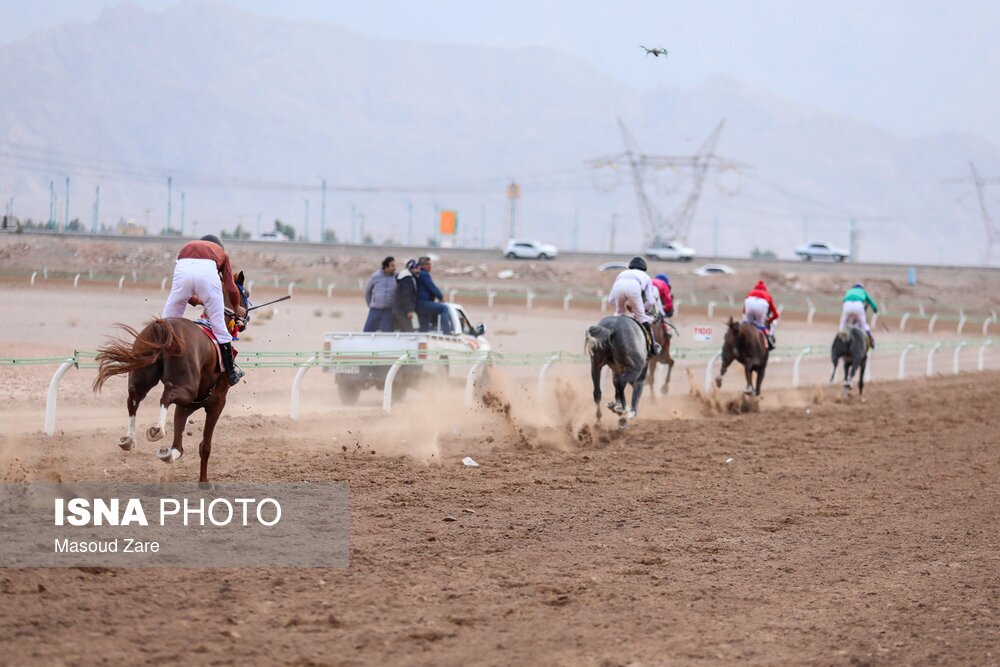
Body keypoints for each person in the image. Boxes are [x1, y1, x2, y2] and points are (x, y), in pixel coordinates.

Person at [162, 234, 246, 386]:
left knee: (165, 325)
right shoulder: (222, 253)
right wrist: (236, 307)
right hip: (206, 277)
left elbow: (185, 287)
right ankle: (231, 374)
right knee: (220, 329)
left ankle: (155, 363)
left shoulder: (186, 248)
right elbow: (232, 288)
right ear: (218, 247)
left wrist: (198, 300)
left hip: (182, 269)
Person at [608, 256, 661, 357]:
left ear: (630, 267)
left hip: (619, 288)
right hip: (634, 288)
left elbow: (611, 300)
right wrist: (640, 310)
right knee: (641, 318)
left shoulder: (621, 274)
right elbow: (650, 301)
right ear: (644, 268)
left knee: (618, 315)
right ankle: (653, 347)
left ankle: (607, 342)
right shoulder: (646, 276)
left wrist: (622, 308)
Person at [415, 256, 453, 334]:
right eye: (427, 264)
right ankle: (447, 332)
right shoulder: (424, 274)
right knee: (444, 308)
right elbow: (432, 287)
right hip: (423, 303)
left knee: (424, 329)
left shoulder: (418, 274)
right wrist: (441, 297)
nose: (429, 266)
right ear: (421, 265)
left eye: (430, 264)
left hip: (418, 305)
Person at [743, 280, 779, 351]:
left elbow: (744, 311)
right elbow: (776, 314)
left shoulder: (750, 293)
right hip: (761, 307)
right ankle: (769, 341)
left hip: (749, 304)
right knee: (761, 325)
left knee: (745, 323)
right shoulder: (767, 295)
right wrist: (769, 321)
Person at [363, 256, 397, 332]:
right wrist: (371, 304)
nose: (394, 268)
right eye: (392, 266)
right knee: (367, 331)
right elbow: (367, 292)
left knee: (387, 333)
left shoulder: (397, 277)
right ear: (386, 266)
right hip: (375, 309)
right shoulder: (375, 276)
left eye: (395, 265)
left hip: (389, 310)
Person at [840, 282, 878, 348]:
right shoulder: (863, 291)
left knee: (843, 323)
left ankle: (840, 337)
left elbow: (844, 300)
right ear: (861, 288)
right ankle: (870, 339)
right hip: (858, 305)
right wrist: (875, 309)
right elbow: (870, 301)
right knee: (863, 324)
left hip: (847, 305)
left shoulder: (849, 291)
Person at [393, 259, 419, 332]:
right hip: (402, 311)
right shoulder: (407, 279)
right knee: (408, 332)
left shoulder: (408, 278)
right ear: (411, 268)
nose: (418, 270)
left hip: (400, 310)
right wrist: (409, 310)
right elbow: (405, 296)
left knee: (403, 332)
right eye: (416, 268)